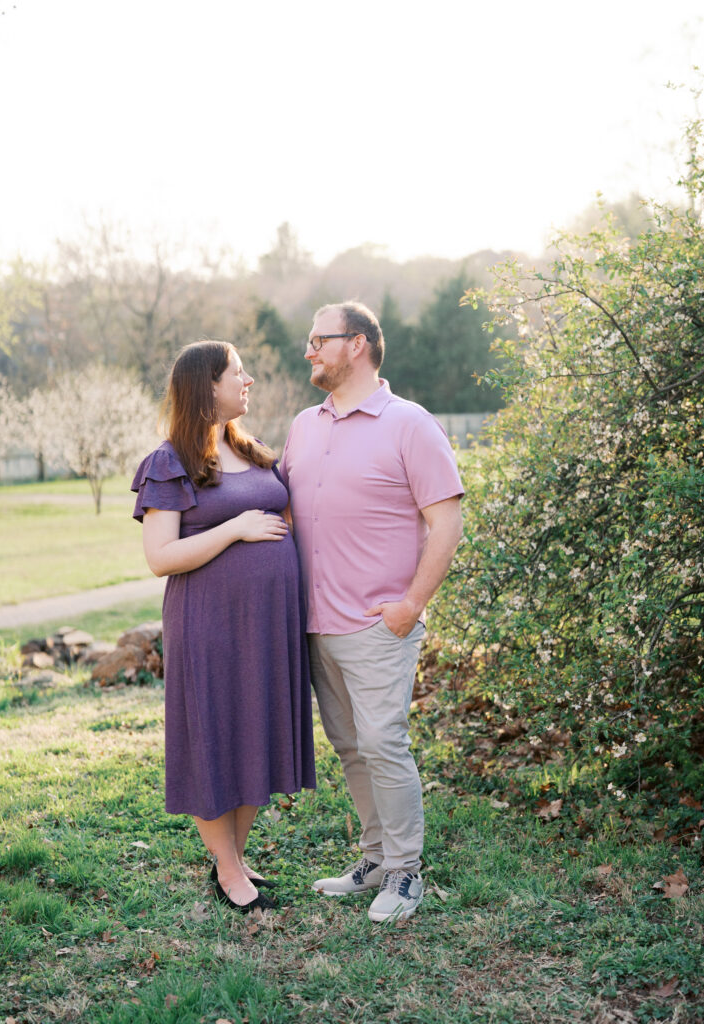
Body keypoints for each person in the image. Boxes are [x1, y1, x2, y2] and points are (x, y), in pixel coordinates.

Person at [281, 301, 464, 923]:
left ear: (356, 344)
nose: (309, 350)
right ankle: (376, 857)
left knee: (384, 744)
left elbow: (447, 520)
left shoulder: (409, 423)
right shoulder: (304, 425)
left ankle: (407, 873)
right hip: (314, 624)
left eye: (318, 339)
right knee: (351, 748)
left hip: (377, 625)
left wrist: (411, 604)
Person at [131, 340, 315, 914]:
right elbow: (161, 557)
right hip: (208, 623)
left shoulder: (253, 451)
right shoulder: (172, 462)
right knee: (213, 731)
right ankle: (228, 868)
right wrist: (234, 529)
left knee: (254, 728)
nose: (249, 379)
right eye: (238, 372)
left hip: (268, 625)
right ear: (206, 386)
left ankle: (235, 854)